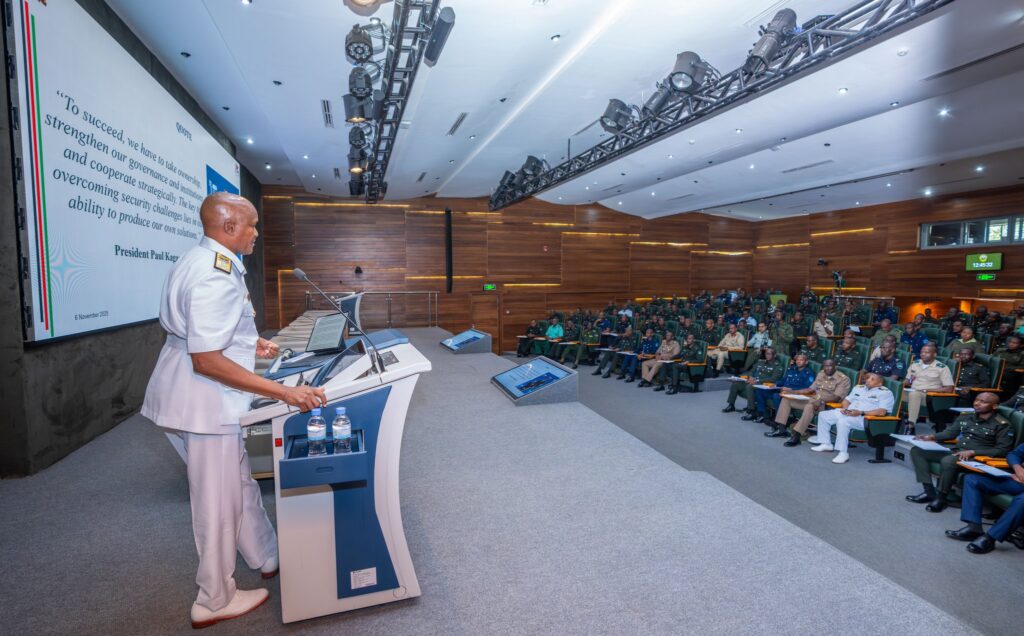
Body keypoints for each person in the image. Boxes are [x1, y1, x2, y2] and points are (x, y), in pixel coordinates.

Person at [142, 193, 327, 628]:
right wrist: (284, 392)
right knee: (217, 502)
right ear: (229, 228)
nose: (256, 233)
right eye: (252, 225)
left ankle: (266, 553)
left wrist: (248, 341)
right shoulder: (215, 274)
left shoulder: (199, 259)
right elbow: (206, 360)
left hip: (190, 394)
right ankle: (214, 598)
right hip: (204, 404)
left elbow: (200, 332)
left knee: (239, 483)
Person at [905, 392, 1013, 512]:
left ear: (995, 406)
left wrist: (973, 452)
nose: (977, 403)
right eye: (977, 400)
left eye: (983, 402)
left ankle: (941, 498)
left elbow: (1002, 450)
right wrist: (931, 437)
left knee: (948, 460)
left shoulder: (1002, 424)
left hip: (977, 457)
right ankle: (929, 492)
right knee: (918, 451)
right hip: (957, 451)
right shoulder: (967, 416)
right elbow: (950, 433)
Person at [945, 442, 1024, 554]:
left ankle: (990, 538)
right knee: (972, 480)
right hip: (1020, 480)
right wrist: (1018, 468)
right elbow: (1014, 454)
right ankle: (974, 527)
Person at [809, 373, 894, 464]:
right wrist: (846, 409)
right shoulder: (858, 388)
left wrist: (861, 412)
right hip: (850, 413)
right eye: (868, 378)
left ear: (879, 384)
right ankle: (826, 444)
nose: (868, 380)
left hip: (865, 418)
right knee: (824, 415)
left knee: (843, 422)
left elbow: (882, 411)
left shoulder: (885, 393)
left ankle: (843, 453)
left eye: (872, 379)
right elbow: (846, 401)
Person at [772, 359, 852, 445]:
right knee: (786, 400)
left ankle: (797, 436)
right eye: (825, 366)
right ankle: (781, 430)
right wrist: (792, 392)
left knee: (809, 406)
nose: (827, 368)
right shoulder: (821, 374)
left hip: (826, 405)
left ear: (835, 366)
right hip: (813, 399)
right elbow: (810, 389)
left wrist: (818, 399)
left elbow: (836, 398)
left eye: (830, 366)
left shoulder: (843, 379)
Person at [747, 354, 814, 424]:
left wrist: (790, 389)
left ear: (806, 362)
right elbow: (783, 380)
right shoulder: (791, 369)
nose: (798, 362)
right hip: (781, 390)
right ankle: (763, 414)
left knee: (776, 396)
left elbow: (807, 387)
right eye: (797, 360)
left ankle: (778, 420)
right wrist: (776, 384)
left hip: (792, 393)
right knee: (759, 391)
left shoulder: (809, 373)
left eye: (801, 360)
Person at [904, 344, 955, 426]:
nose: (923, 354)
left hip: (928, 396)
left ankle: (911, 424)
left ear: (934, 354)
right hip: (912, 390)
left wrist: (927, 390)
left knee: (914, 394)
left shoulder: (942, 368)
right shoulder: (915, 363)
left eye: (926, 352)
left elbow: (949, 388)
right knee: (892, 393)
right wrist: (906, 382)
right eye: (921, 352)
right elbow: (907, 380)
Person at [723, 347, 785, 414]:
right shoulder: (760, 362)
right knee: (736, 384)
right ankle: (731, 405)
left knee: (750, 387)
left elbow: (774, 379)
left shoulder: (778, 366)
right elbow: (751, 371)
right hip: (753, 381)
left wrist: (757, 381)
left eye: (769, 354)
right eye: (766, 354)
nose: (767, 355)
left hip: (763, 384)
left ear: (774, 355)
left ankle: (751, 409)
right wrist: (751, 377)